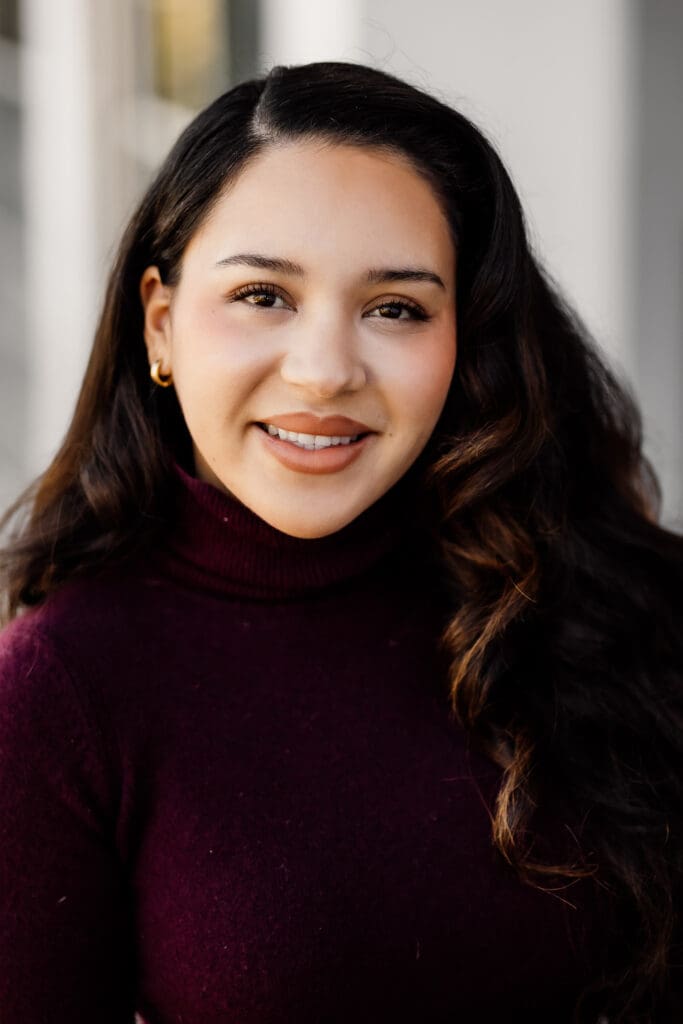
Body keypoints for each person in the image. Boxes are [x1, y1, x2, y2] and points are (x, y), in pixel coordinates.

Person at [0, 61, 681, 1024]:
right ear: (161, 323)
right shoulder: (61, 694)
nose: (324, 372)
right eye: (262, 296)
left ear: (468, 339)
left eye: (394, 308)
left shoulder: (622, 605)